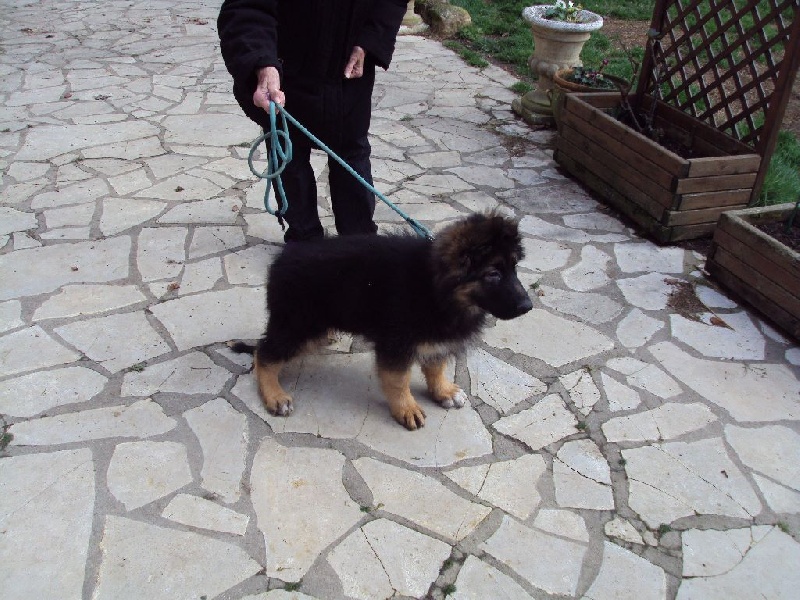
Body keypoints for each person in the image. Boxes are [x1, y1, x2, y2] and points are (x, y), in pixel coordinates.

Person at [217, 0, 408, 242]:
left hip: (348, 69)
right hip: (285, 69)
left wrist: (368, 41)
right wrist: (262, 63)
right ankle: (304, 241)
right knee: (288, 154)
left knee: (352, 151)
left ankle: (360, 242)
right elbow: (246, 8)